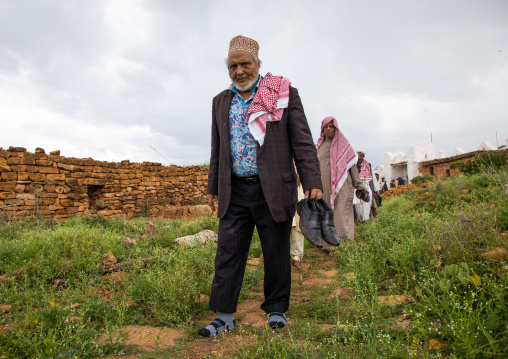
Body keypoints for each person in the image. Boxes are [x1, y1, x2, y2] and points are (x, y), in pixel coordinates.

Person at [200, 35, 322, 337]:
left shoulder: (283, 94)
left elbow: (303, 142)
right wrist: (212, 187)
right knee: (228, 251)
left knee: (276, 250)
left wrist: (312, 181)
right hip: (235, 189)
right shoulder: (220, 101)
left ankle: (277, 309)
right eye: (232, 66)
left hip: (273, 187)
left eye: (245, 64)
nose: (239, 71)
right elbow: (218, 148)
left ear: (258, 64)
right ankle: (224, 315)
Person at [316, 117, 366, 243]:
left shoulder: (345, 146)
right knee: (326, 213)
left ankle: (344, 242)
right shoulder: (318, 147)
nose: (328, 129)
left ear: (336, 128)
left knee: (341, 213)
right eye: (326, 127)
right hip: (324, 187)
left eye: (331, 126)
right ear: (322, 129)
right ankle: (328, 243)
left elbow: (352, 166)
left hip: (342, 186)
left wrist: (359, 185)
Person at [355, 150, 380, 222]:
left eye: (360, 155)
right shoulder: (354, 165)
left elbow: (373, 178)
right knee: (358, 205)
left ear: (363, 156)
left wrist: (376, 189)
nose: (358, 157)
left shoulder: (368, 165)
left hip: (367, 186)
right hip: (357, 188)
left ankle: (365, 219)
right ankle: (360, 220)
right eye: (357, 156)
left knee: (367, 203)